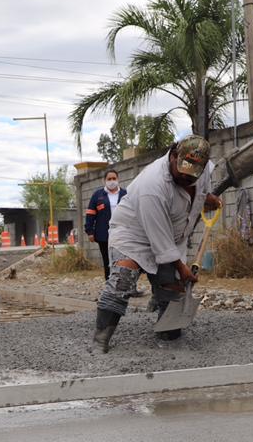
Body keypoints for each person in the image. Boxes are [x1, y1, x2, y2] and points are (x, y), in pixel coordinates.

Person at [93, 135, 221, 352]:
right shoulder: (153, 186)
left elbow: (197, 192)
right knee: (123, 280)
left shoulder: (204, 169)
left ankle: (167, 332)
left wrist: (206, 198)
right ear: (173, 155)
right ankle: (100, 340)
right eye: (181, 171)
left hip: (169, 236)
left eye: (191, 177)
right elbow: (159, 242)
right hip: (132, 235)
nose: (184, 177)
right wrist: (183, 268)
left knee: (172, 285)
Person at [85, 168, 125, 279]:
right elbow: (90, 214)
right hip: (104, 234)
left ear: (118, 179)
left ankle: (127, 287)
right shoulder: (97, 195)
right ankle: (110, 286)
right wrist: (90, 231)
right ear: (104, 181)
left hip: (123, 234)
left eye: (114, 178)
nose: (112, 181)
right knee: (107, 260)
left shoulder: (125, 194)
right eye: (109, 179)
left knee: (124, 261)